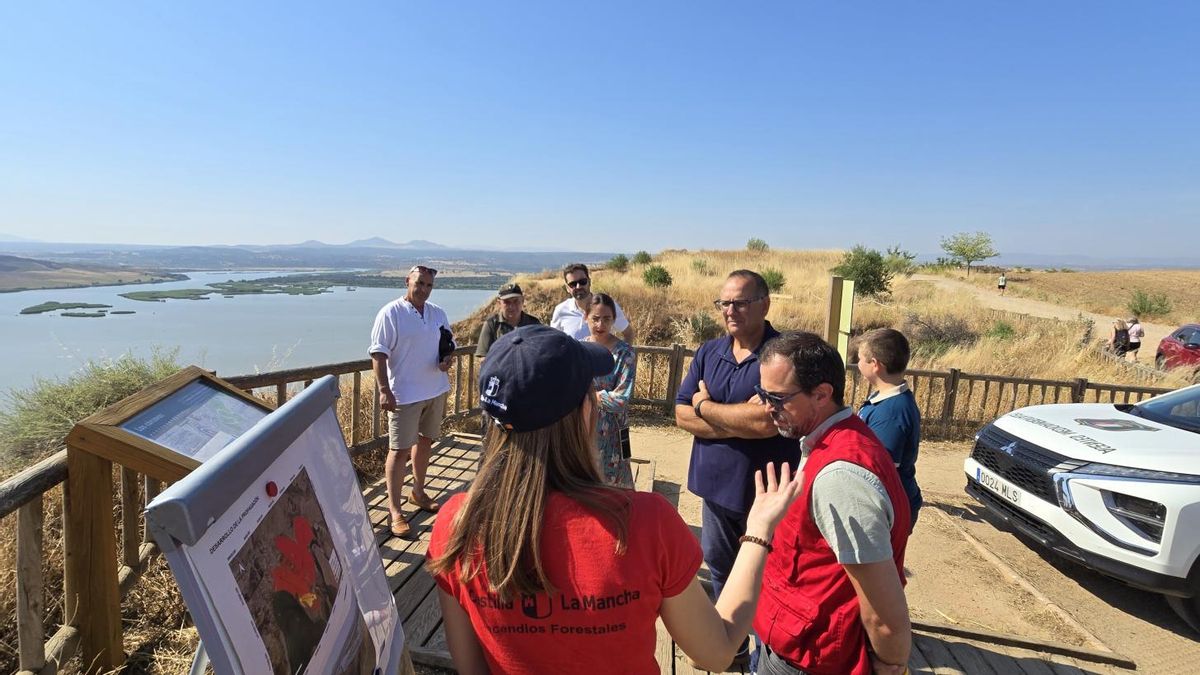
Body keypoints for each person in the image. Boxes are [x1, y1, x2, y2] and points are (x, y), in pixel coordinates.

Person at [426, 325, 802, 674]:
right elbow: (716, 653)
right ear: (584, 414)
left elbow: (472, 667)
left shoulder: (456, 524)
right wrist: (758, 532)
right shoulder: (645, 521)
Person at [754, 331, 912, 675]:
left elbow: (883, 615)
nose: (767, 407)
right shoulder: (837, 441)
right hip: (801, 642)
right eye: (762, 393)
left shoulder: (841, 477)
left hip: (810, 658)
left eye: (777, 398)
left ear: (822, 394)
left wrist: (891, 665)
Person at [674, 269, 798, 668]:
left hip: (766, 495)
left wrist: (705, 407)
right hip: (715, 491)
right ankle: (734, 652)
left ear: (764, 304)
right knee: (724, 571)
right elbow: (678, 414)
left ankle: (768, 658)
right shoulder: (710, 351)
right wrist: (735, 416)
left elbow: (767, 423)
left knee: (769, 577)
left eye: (740, 302)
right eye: (724, 302)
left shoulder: (782, 355)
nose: (730, 310)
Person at [369, 264, 452, 539]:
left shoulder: (437, 313)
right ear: (408, 281)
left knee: (425, 441)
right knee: (399, 450)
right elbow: (378, 354)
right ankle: (395, 510)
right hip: (404, 394)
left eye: (429, 285)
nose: (424, 290)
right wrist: (384, 390)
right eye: (419, 284)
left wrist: (446, 361)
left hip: (434, 389)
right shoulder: (390, 313)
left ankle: (418, 491)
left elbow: (446, 344)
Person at [853, 328, 923, 530]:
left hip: (890, 507)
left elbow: (879, 468)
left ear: (874, 365)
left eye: (860, 359)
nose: (858, 364)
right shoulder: (885, 399)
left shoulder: (891, 412)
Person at [584, 293, 636, 487]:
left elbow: (622, 399)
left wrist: (588, 396)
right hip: (582, 430)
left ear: (614, 320)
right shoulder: (578, 350)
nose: (600, 325)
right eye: (595, 319)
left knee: (616, 488)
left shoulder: (625, 353)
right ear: (586, 317)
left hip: (615, 431)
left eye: (606, 319)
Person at [550, 263, 636, 343]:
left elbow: (628, 333)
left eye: (582, 282)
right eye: (573, 284)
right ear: (567, 288)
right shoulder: (561, 310)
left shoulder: (607, 305)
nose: (578, 286)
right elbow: (554, 341)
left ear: (589, 282)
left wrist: (622, 355)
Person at [474, 283, 541, 360]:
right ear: (499, 303)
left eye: (516, 301)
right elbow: (483, 357)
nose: (511, 306)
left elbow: (540, 351)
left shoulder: (534, 324)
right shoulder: (491, 324)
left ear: (522, 301)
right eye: (507, 302)